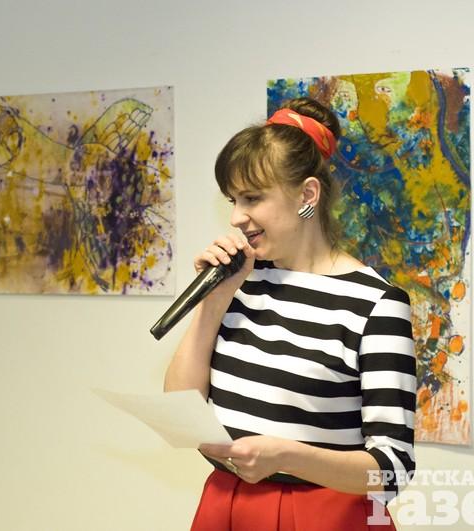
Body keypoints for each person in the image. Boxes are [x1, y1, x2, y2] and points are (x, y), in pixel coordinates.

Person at [164, 97, 416, 530]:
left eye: (252, 198)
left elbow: (393, 469)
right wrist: (213, 301)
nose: (236, 217)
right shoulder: (240, 279)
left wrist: (286, 456)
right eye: (232, 199)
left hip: (325, 514)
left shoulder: (377, 303)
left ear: (307, 195)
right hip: (225, 503)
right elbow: (179, 402)